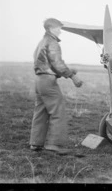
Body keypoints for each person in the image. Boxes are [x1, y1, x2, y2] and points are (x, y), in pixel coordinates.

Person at [29, 18, 83, 155]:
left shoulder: (42, 42)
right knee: (58, 111)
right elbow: (57, 63)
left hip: (39, 81)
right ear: (51, 28)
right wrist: (72, 76)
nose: (60, 31)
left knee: (41, 112)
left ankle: (36, 143)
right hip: (48, 82)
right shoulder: (52, 43)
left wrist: (67, 70)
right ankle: (55, 144)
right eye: (59, 28)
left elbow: (47, 63)